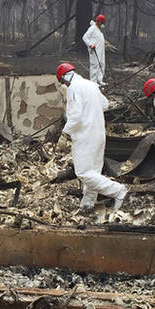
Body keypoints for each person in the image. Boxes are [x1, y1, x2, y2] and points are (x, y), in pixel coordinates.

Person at [57, 62, 128, 214]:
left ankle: (118, 190)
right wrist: (91, 108)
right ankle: (87, 204)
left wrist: (65, 133)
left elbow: (75, 116)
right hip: (98, 134)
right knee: (93, 172)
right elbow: (105, 104)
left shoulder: (73, 88)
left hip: (85, 136)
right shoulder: (91, 85)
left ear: (65, 77)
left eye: (62, 82)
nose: (64, 84)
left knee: (83, 172)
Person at [82, 14, 107, 86]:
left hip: (101, 50)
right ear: (98, 22)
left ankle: (100, 80)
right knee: (94, 65)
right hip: (94, 50)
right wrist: (90, 45)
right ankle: (93, 82)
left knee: (101, 64)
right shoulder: (92, 28)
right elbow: (85, 37)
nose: (102, 25)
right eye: (102, 23)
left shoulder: (98, 29)